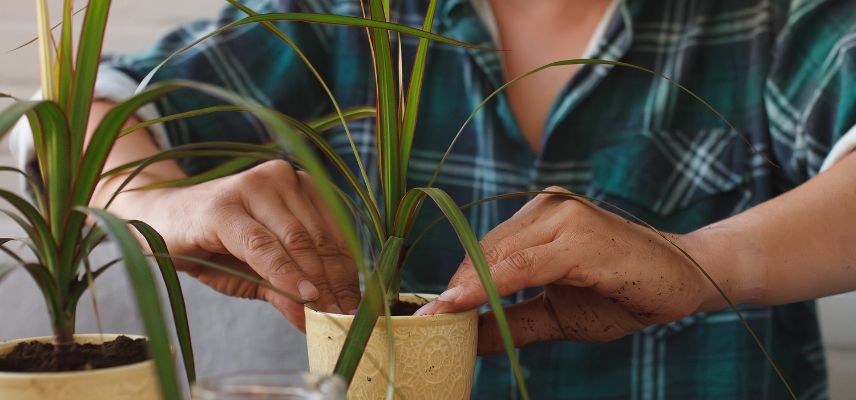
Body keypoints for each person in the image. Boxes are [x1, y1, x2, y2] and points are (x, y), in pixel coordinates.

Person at [13, 0, 855, 398]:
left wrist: (703, 263)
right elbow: (77, 112)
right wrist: (162, 203)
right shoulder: (342, 17)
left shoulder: (772, 24)